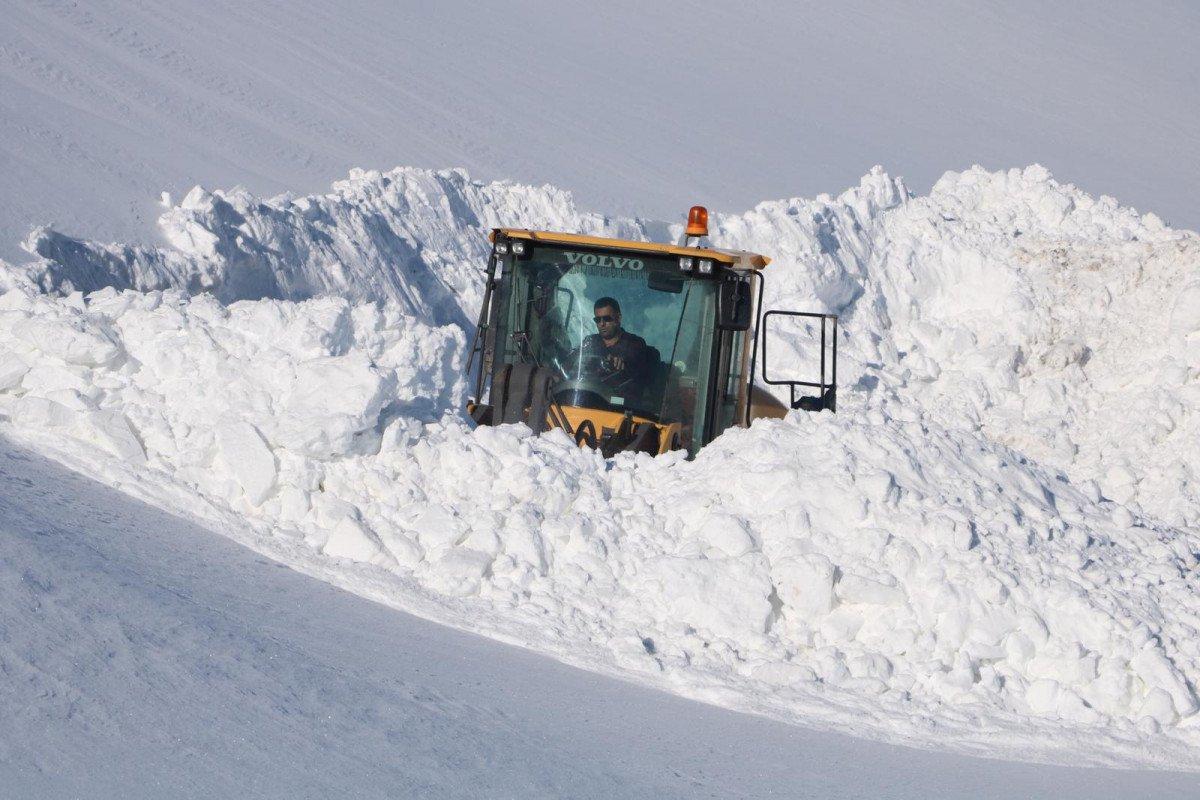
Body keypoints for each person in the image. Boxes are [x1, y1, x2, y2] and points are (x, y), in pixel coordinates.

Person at [573, 297, 654, 391]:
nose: (602, 324)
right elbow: (572, 360)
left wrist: (621, 362)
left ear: (618, 318)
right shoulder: (590, 341)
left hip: (617, 401)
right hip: (585, 396)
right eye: (598, 320)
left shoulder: (635, 343)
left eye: (607, 319)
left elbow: (634, 361)